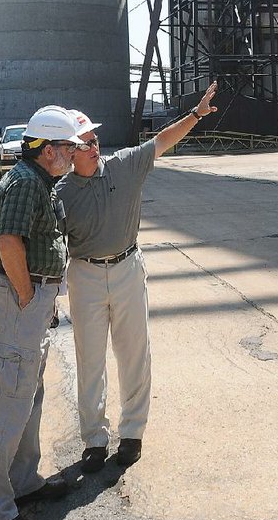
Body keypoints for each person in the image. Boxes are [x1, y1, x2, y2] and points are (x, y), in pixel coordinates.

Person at [57, 82, 218, 475]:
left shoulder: (125, 165)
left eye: (95, 139)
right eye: (84, 143)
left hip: (128, 268)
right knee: (89, 360)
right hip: (86, 275)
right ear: (68, 152)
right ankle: (94, 440)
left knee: (134, 354)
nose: (94, 147)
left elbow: (163, 140)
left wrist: (195, 114)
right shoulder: (61, 193)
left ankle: (132, 433)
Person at [0, 106, 81, 520]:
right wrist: (27, 295)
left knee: (28, 394)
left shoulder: (40, 181)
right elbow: (8, 240)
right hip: (20, 299)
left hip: (31, 300)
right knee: (7, 399)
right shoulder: (24, 184)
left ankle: (22, 482)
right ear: (49, 150)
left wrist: (40, 297)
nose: (73, 154)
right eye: (69, 147)